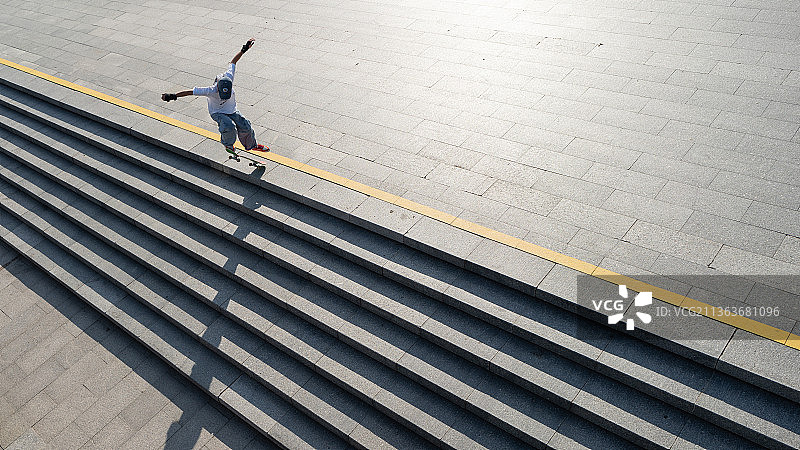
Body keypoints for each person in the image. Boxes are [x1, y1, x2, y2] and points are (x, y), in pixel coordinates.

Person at [161, 38, 268, 155]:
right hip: (217, 112)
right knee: (229, 126)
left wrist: (244, 49)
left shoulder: (229, 77)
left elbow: (233, 62)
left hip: (232, 110)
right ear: (218, 88)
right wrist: (172, 96)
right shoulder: (210, 90)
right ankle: (228, 144)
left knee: (245, 125)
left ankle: (252, 145)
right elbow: (190, 92)